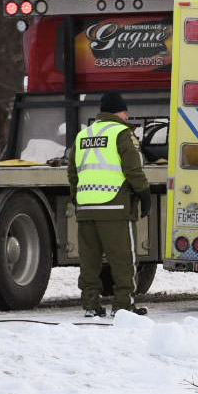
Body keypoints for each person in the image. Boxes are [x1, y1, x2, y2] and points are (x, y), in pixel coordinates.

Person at [68, 91, 151, 317]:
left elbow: (73, 172)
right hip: (114, 206)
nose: (128, 116)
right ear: (119, 112)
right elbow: (133, 169)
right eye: (126, 112)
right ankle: (123, 306)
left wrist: (77, 197)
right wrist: (144, 193)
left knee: (89, 261)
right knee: (123, 259)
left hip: (86, 208)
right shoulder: (122, 134)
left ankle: (90, 306)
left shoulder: (83, 135)